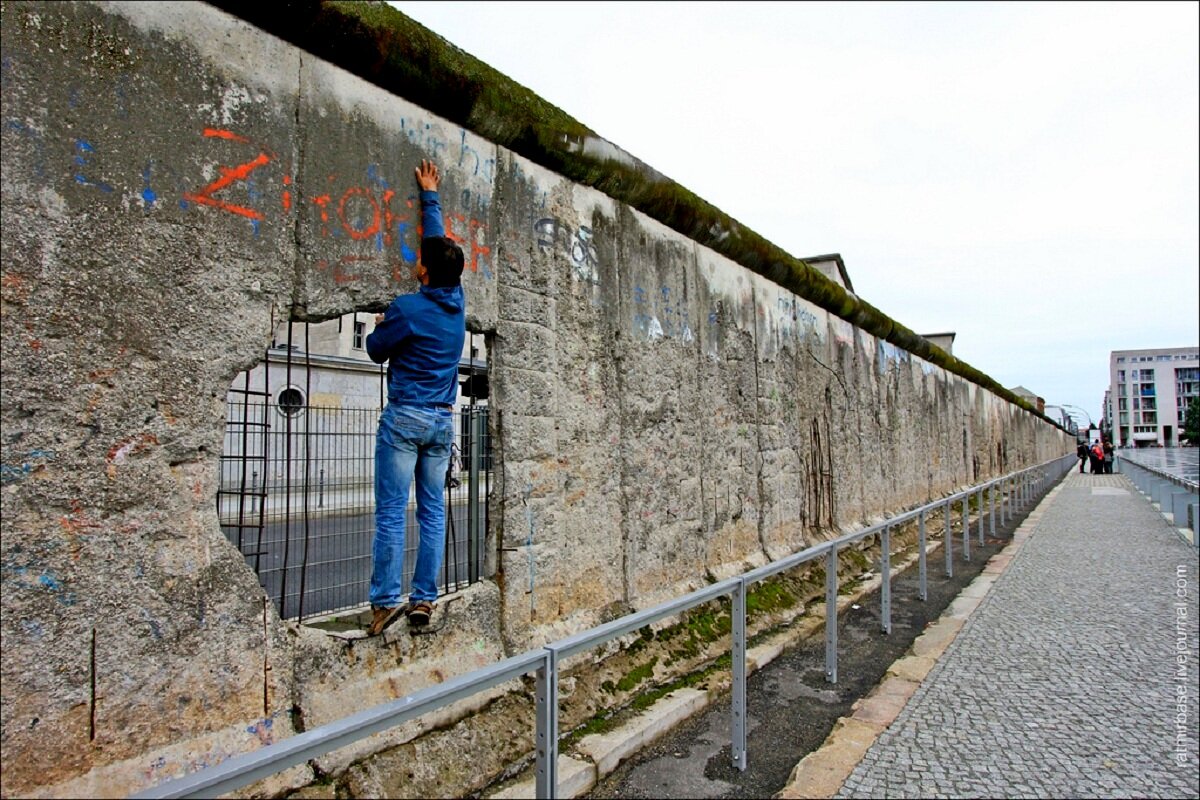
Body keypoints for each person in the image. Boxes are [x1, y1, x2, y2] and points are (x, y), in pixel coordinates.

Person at [365, 159, 466, 635]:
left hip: (405, 417)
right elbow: (441, 248)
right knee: (431, 512)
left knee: (390, 513)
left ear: (423, 272)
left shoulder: (406, 309)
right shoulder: (456, 302)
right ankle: (424, 599)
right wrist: (430, 197)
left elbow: (374, 352)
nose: (415, 262)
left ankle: (385, 603)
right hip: (443, 421)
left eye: (419, 261)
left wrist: (384, 326)